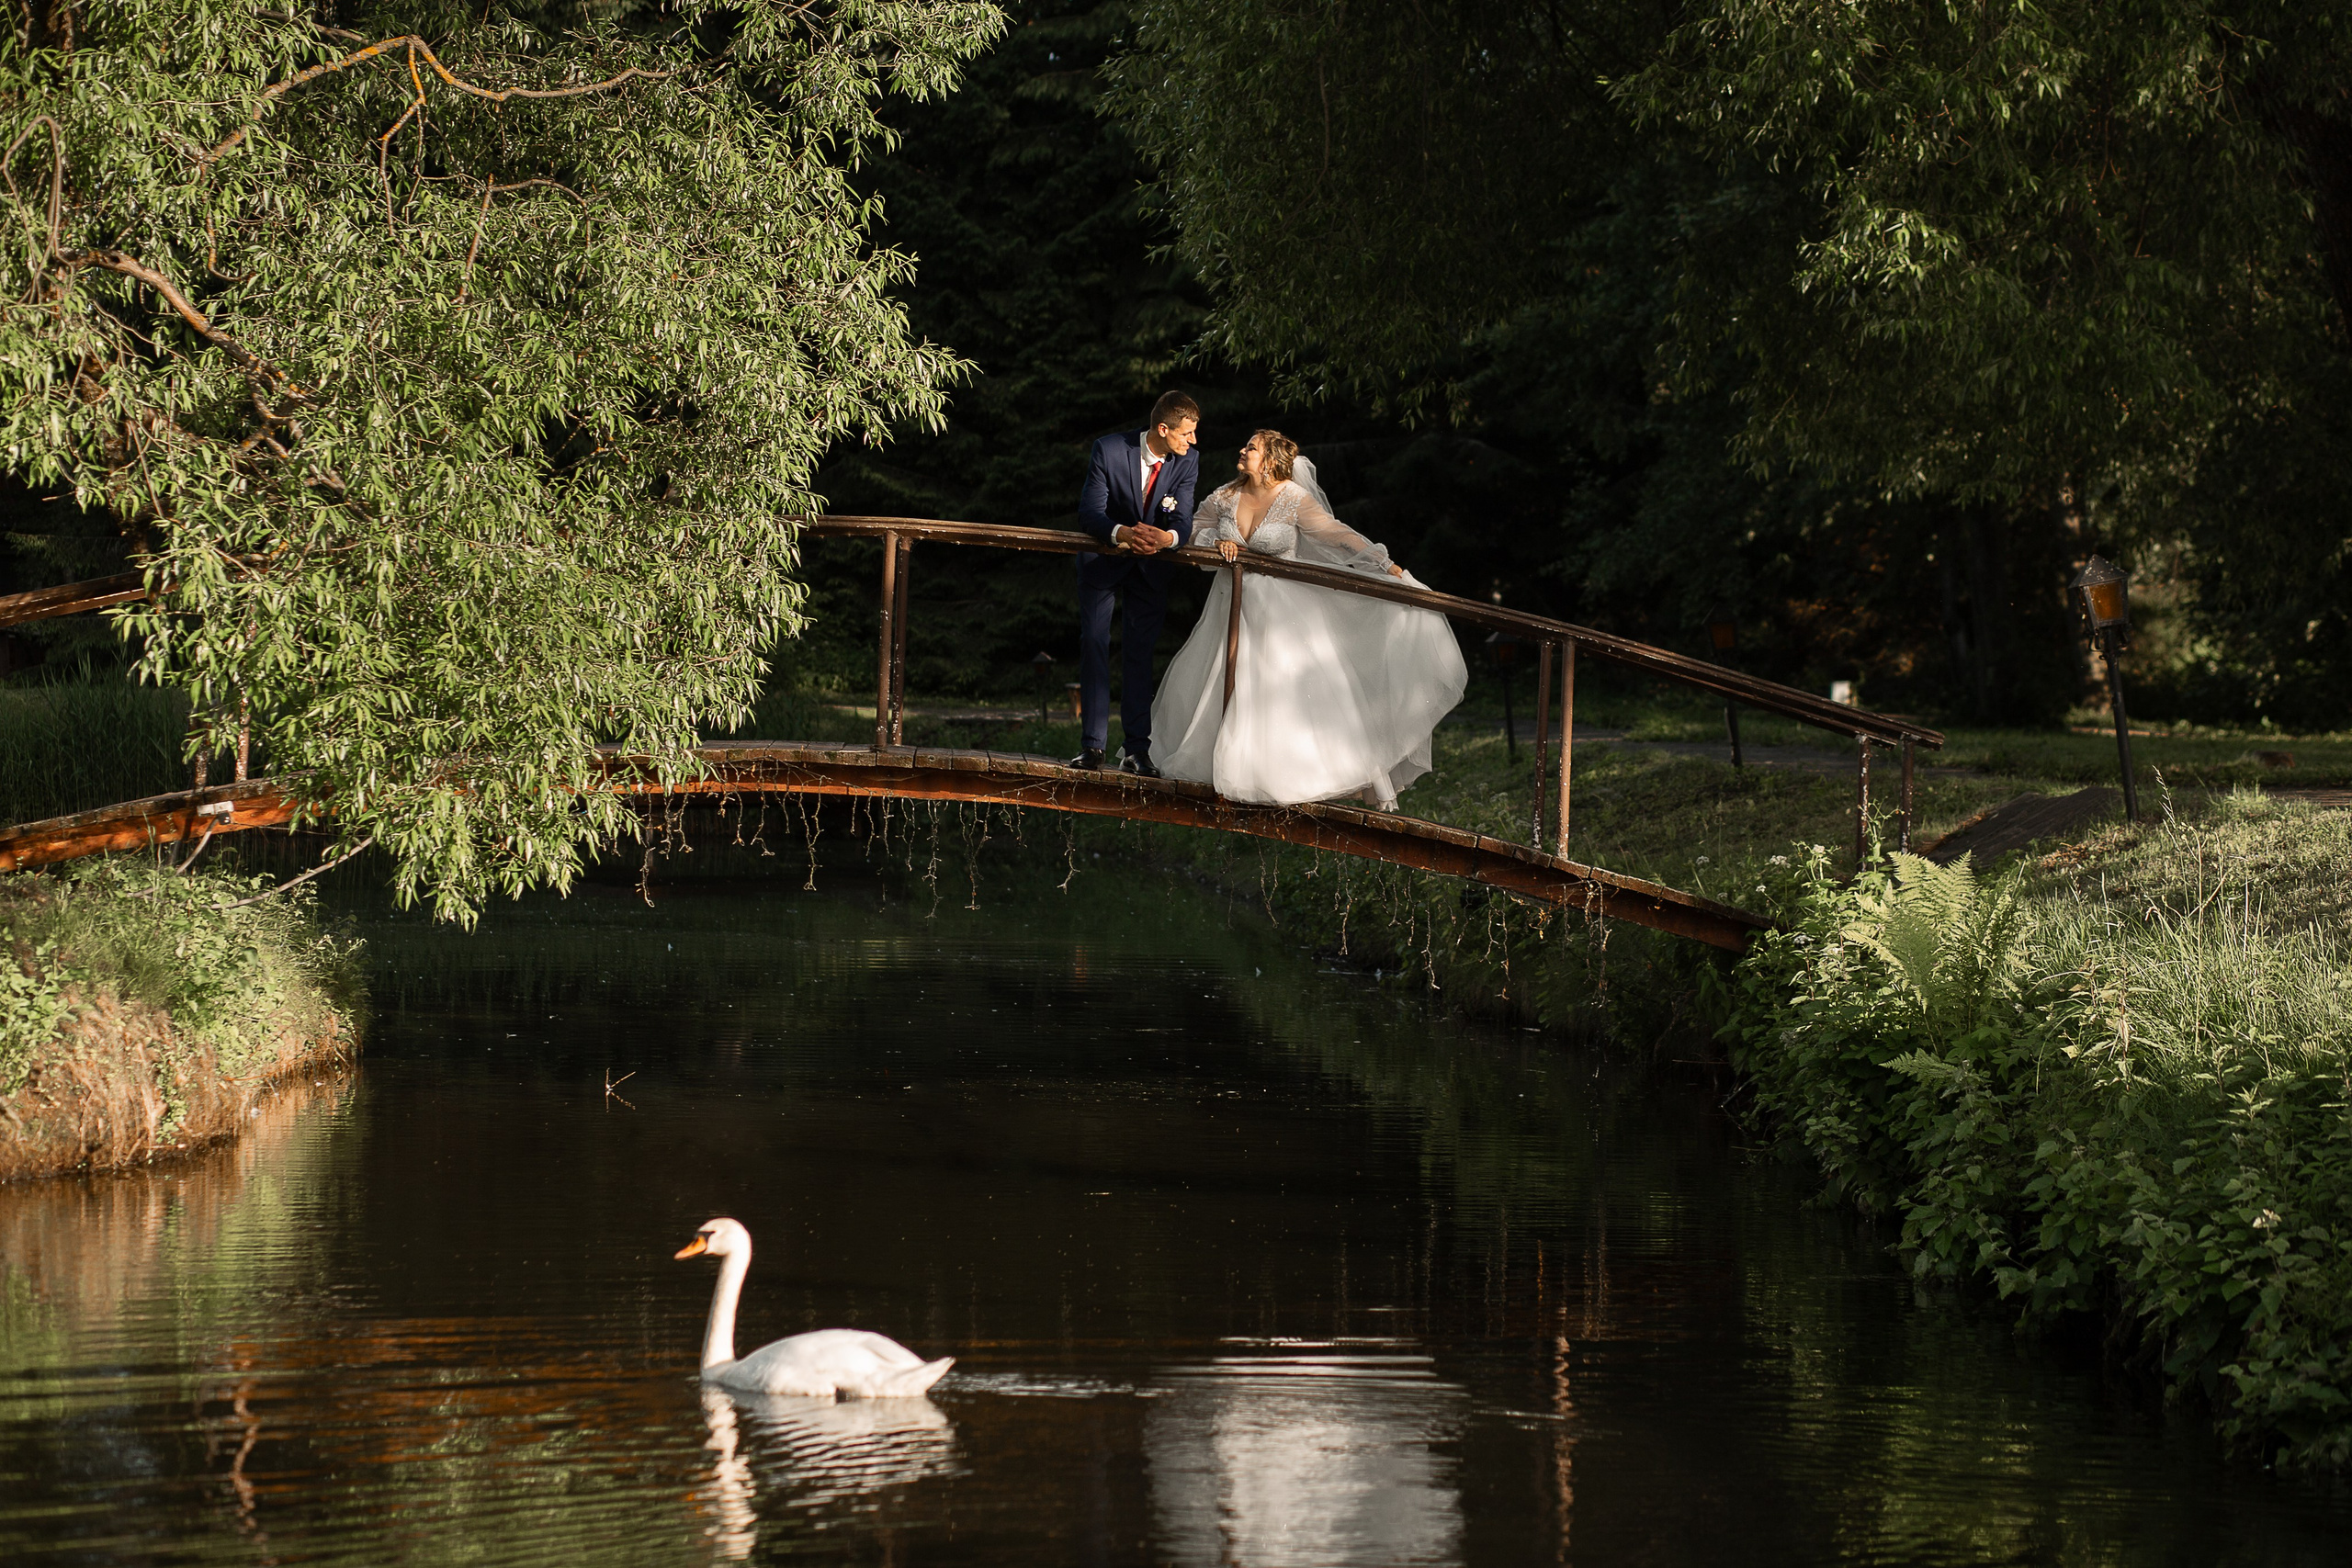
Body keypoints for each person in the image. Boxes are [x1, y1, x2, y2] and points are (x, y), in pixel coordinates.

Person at [1150, 431, 1467, 807]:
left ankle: (1294, 777)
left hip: (1283, 613)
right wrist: (1215, 543)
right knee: (1227, 680)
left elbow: (1335, 534)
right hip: (1229, 605)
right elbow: (1191, 532)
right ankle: (1229, 773)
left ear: (1269, 460)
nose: (1242, 450)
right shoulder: (1224, 496)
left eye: (1251, 447)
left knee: (1284, 687)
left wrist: (1386, 564)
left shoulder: (1292, 497)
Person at [1071, 392, 1203, 774]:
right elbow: (1090, 513)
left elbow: (1184, 519)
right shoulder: (1110, 450)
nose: (1192, 441)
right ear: (1163, 429)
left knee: (1140, 656)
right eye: (1187, 433)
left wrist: (1168, 540)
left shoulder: (1189, 461)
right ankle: (1092, 748)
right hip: (1104, 562)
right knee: (1094, 646)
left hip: (1151, 568)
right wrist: (1121, 533)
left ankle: (1136, 751)